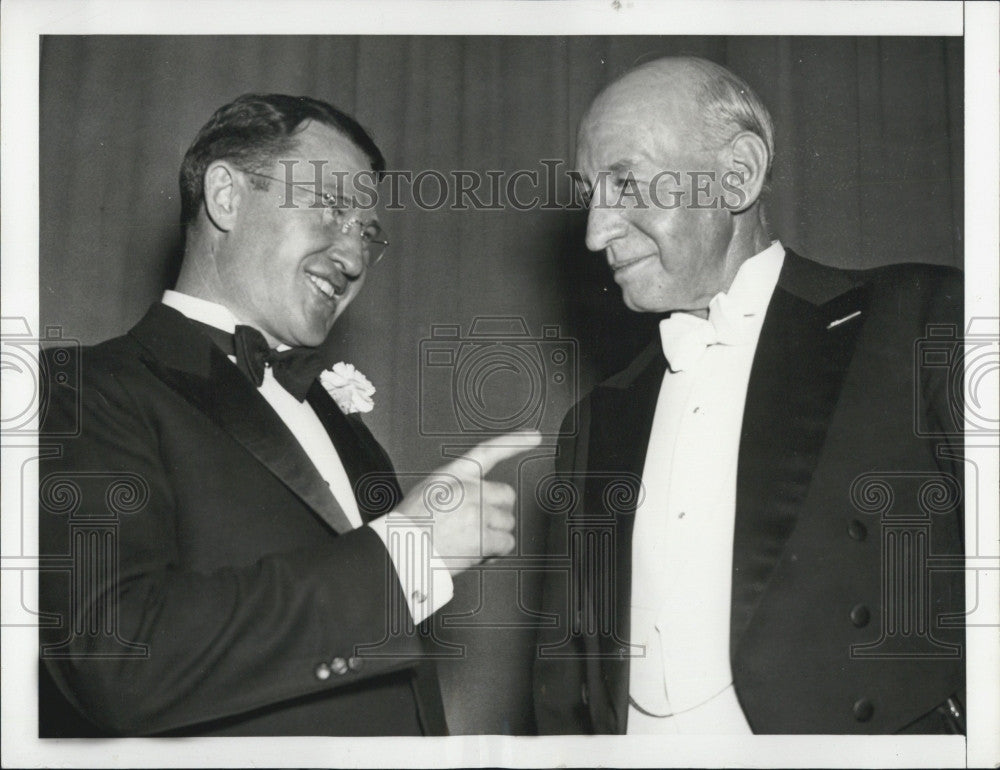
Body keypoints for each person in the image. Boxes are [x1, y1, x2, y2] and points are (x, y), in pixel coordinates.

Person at [39, 93, 538, 736]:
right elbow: (115, 658)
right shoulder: (87, 389)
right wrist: (407, 556)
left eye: (367, 231)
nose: (354, 258)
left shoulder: (342, 428)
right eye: (332, 208)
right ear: (226, 196)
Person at [533, 57, 965, 735]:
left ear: (737, 175)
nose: (595, 233)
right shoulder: (593, 422)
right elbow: (566, 694)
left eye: (625, 182)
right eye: (590, 193)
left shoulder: (920, 319)